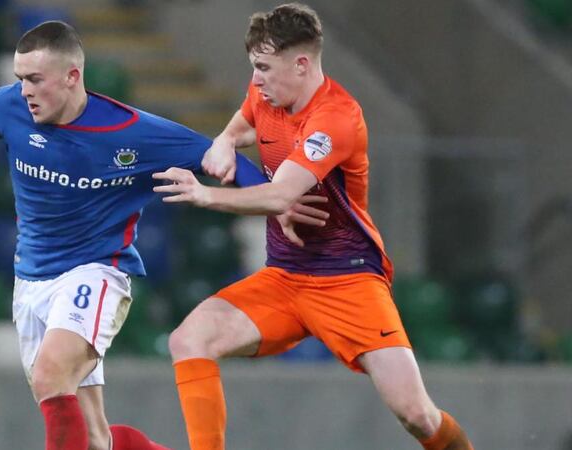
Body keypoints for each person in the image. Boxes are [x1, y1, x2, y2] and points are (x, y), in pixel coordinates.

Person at [0, 20, 327, 450]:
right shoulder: (8, 105)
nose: (26, 91)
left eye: (36, 79)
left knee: (54, 373)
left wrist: (273, 198)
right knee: (92, 439)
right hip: (31, 282)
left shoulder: (132, 132)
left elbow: (213, 155)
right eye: (21, 79)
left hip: (96, 273)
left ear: (72, 76)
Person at [153, 4, 475, 450]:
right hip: (285, 279)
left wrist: (205, 194)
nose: (257, 79)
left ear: (301, 64)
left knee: (416, 415)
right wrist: (226, 139)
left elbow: (281, 196)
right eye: (254, 68)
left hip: (348, 281)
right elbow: (247, 117)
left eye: (265, 68)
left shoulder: (336, 119)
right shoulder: (265, 91)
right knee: (188, 339)